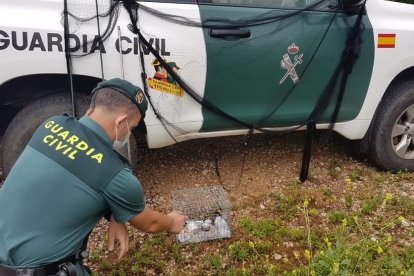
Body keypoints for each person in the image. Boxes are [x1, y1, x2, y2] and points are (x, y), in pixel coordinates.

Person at [0, 78, 188, 276]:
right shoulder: (116, 174)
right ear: (121, 122)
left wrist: (116, 215)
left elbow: (68, 182)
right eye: (131, 127)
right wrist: (172, 222)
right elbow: (151, 223)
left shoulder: (52, 125)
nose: (128, 133)